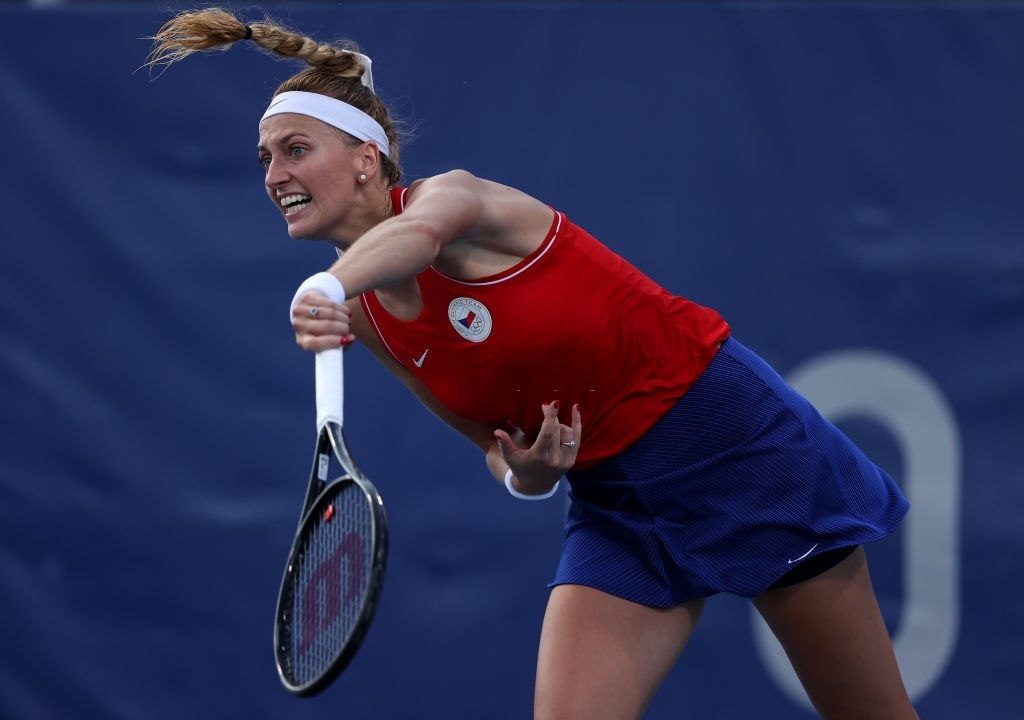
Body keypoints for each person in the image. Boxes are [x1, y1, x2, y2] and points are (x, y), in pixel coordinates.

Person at [147, 8, 919, 719]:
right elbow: (490, 446)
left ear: (365, 159)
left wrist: (327, 281)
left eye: (295, 150)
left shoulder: (457, 203)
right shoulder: (363, 316)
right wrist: (531, 474)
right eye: (264, 158)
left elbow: (415, 239)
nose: (273, 175)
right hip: (615, 504)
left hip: (732, 449)